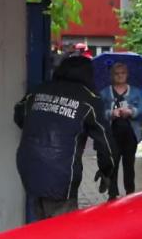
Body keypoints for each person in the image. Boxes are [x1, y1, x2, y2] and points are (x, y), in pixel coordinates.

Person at [14, 55, 114, 219]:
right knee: (63, 232)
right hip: (62, 173)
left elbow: (19, 115)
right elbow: (105, 140)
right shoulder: (89, 99)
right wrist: (106, 170)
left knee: (39, 223)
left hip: (29, 166)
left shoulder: (38, 90)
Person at [99, 62, 142, 199]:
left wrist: (131, 111)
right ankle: (112, 193)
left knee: (129, 165)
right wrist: (111, 113)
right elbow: (99, 112)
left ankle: (130, 193)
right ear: (112, 75)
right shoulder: (105, 92)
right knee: (113, 163)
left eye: (123, 73)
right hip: (112, 134)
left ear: (127, 75)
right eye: (116, 73)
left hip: (130, 135)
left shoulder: (135, 91)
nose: (120, 76)